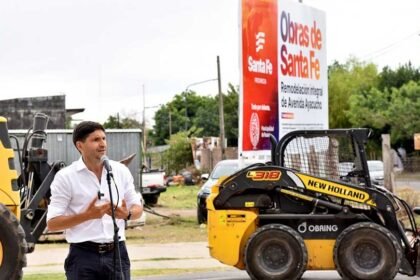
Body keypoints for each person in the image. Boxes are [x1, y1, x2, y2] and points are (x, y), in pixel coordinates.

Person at [47, 121, 143, 280]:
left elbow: (137, 208)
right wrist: (88, 215)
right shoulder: (65, 177)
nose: (102, 144)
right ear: (80, 145)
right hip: (83, 256)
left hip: (117, 253)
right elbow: (52, 223)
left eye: (104, 138)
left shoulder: (120, 171)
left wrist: (127, 214)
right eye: (95, 140)